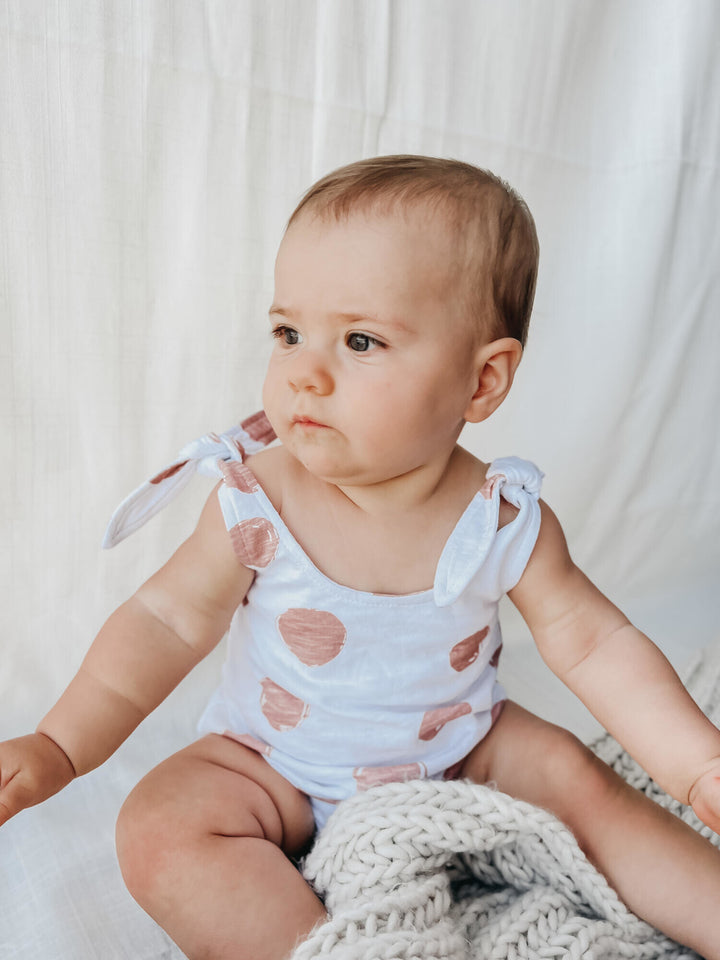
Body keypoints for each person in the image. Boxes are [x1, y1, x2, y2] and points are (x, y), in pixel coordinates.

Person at [1, 155, 719, 960]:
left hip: (461, 754)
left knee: (579, 779)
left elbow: (596, 644)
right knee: (162, 827)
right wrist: (60, 745)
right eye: (288, 333)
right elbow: (165, 621)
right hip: (274, 767)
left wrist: (696, 767)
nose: (304, 373)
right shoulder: (256, 501)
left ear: (482, 382)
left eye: (361, 340)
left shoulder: (500, 517)